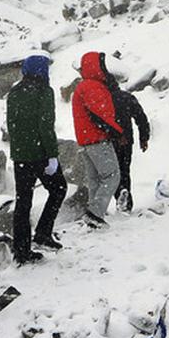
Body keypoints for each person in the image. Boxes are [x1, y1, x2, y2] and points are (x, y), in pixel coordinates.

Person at [6, 54, 66, 261]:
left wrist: (19, 150)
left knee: (23, 202)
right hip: (40, 153)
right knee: (59, 189)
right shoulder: (44, 91)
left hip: (20, 156)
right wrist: (52, 155)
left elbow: (11, 125)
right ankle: (42, 233)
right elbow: (45, 125)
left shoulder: (14, 92)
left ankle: (21, 251)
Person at [70, 51, 124, 225]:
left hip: (86, 140)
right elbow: (99, 115)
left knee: (95, 180)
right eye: (102, 64)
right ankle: (95, 214)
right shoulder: (92, 86)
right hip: (97, 139)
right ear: (96, 67)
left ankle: (94, 216)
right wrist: (118, 132)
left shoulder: (83, 86)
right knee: (112, 176)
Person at [105, 68, 151, 212]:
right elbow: (141, 118)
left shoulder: (103, 100)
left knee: (112, 173)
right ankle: (126, 202)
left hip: (109, 141)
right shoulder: (126, 97)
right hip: (127, 142)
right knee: (125, 171)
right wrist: (144, 138)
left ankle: (119, 196)